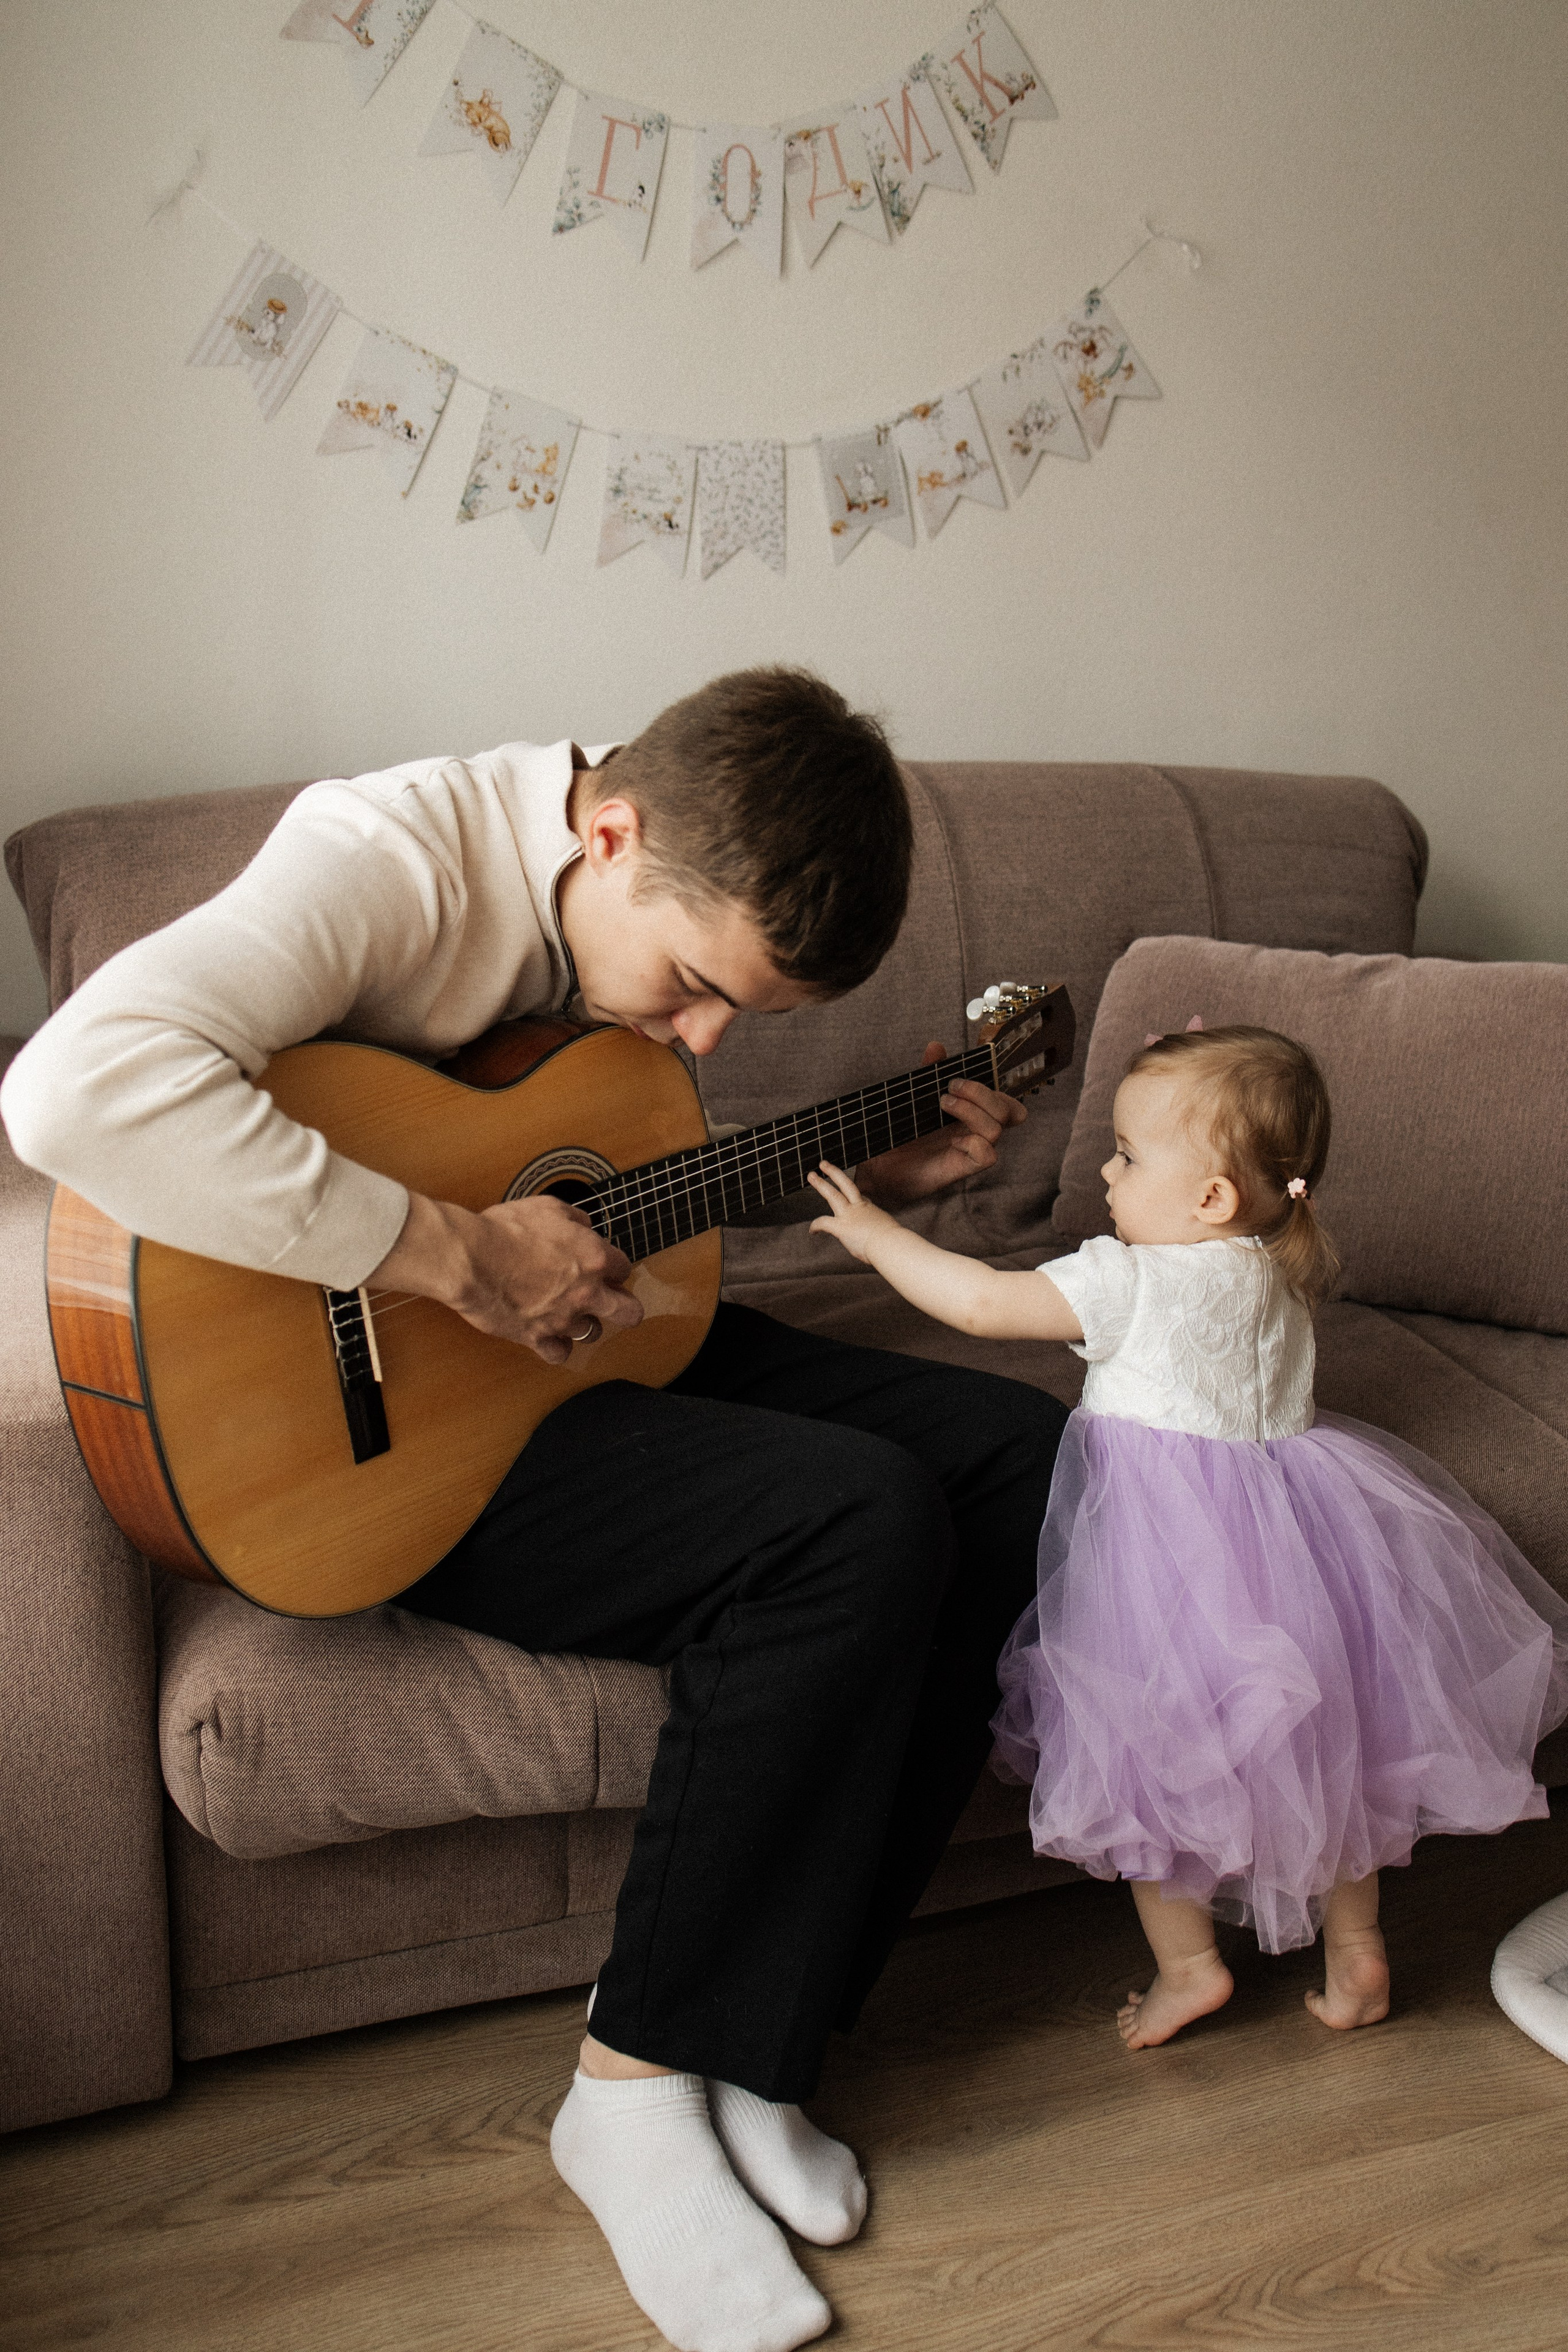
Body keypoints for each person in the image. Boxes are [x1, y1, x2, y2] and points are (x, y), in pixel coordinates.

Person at [1, 668, 1065, 2352]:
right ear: (611, 829)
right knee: (852, 1519)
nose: (705, 1040)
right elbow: (69, 1091)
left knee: (1021, 1464)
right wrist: (451, 1251)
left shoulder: (630, 944)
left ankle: (756, 2042)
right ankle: (630, 2090)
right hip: (353, 1443)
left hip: (567, 1369)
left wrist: (863, 1187)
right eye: (701, 989)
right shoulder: (387, 861)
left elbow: (602, 1196)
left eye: (743, 1024)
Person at [809, 1022, 1568, 2052]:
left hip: (1167, 1566)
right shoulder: (1276, 1268)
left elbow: (984, 1305)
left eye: (1126, 1155)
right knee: (1333, 1752)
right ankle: (1356, 1956)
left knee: (1148, 1762)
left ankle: (1191, 1969)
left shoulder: (1130, 1278)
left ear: (1210, 1198)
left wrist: (876, 1236)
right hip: (1310, 1543)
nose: (1108, 1176)